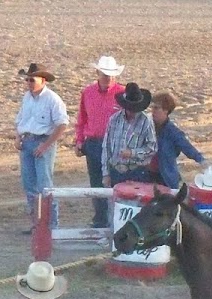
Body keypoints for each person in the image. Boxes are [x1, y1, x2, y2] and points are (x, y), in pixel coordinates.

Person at [15, 63, 70, 234]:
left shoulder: (53, 99)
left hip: (43, 141)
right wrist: (18, 137)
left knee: (45, 186)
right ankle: (37, 225)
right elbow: (21, 119)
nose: (29, 83)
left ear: (43, 81)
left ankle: (52, 226)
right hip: (27, 141)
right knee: (29, 185)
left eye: (32, 80)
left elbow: (62, 124)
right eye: (27, 80)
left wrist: (46, 145)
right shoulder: (27, 97)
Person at [74, 56, 126, 228]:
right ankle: (100, 219)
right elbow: (82, 119)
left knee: (116, 181)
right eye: (105, 74)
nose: (108, 78)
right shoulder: (87, 93)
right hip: (94, 143)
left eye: (110, 75)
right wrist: (79, 141)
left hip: (115, 144)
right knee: (96, 182)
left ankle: (116, 219)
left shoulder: (123, 94)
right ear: (98, 73)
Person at [101, 83, 157, 187]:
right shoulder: (114, 120)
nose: (133, 112)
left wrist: (133, 153)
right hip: (115, 172)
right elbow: (106, 147)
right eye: (131, 108)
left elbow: (152, 148)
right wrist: (106, 174)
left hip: (136, 172)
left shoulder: (146, 121)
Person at [149, 91, 209, 190]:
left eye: (156, 108)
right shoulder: (147, 127)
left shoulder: (173, 132)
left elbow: (187, 147)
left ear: (166, 110)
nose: (152, 111)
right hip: (146, 175)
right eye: (152, 107)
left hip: (165, 178)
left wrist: (202, 161)